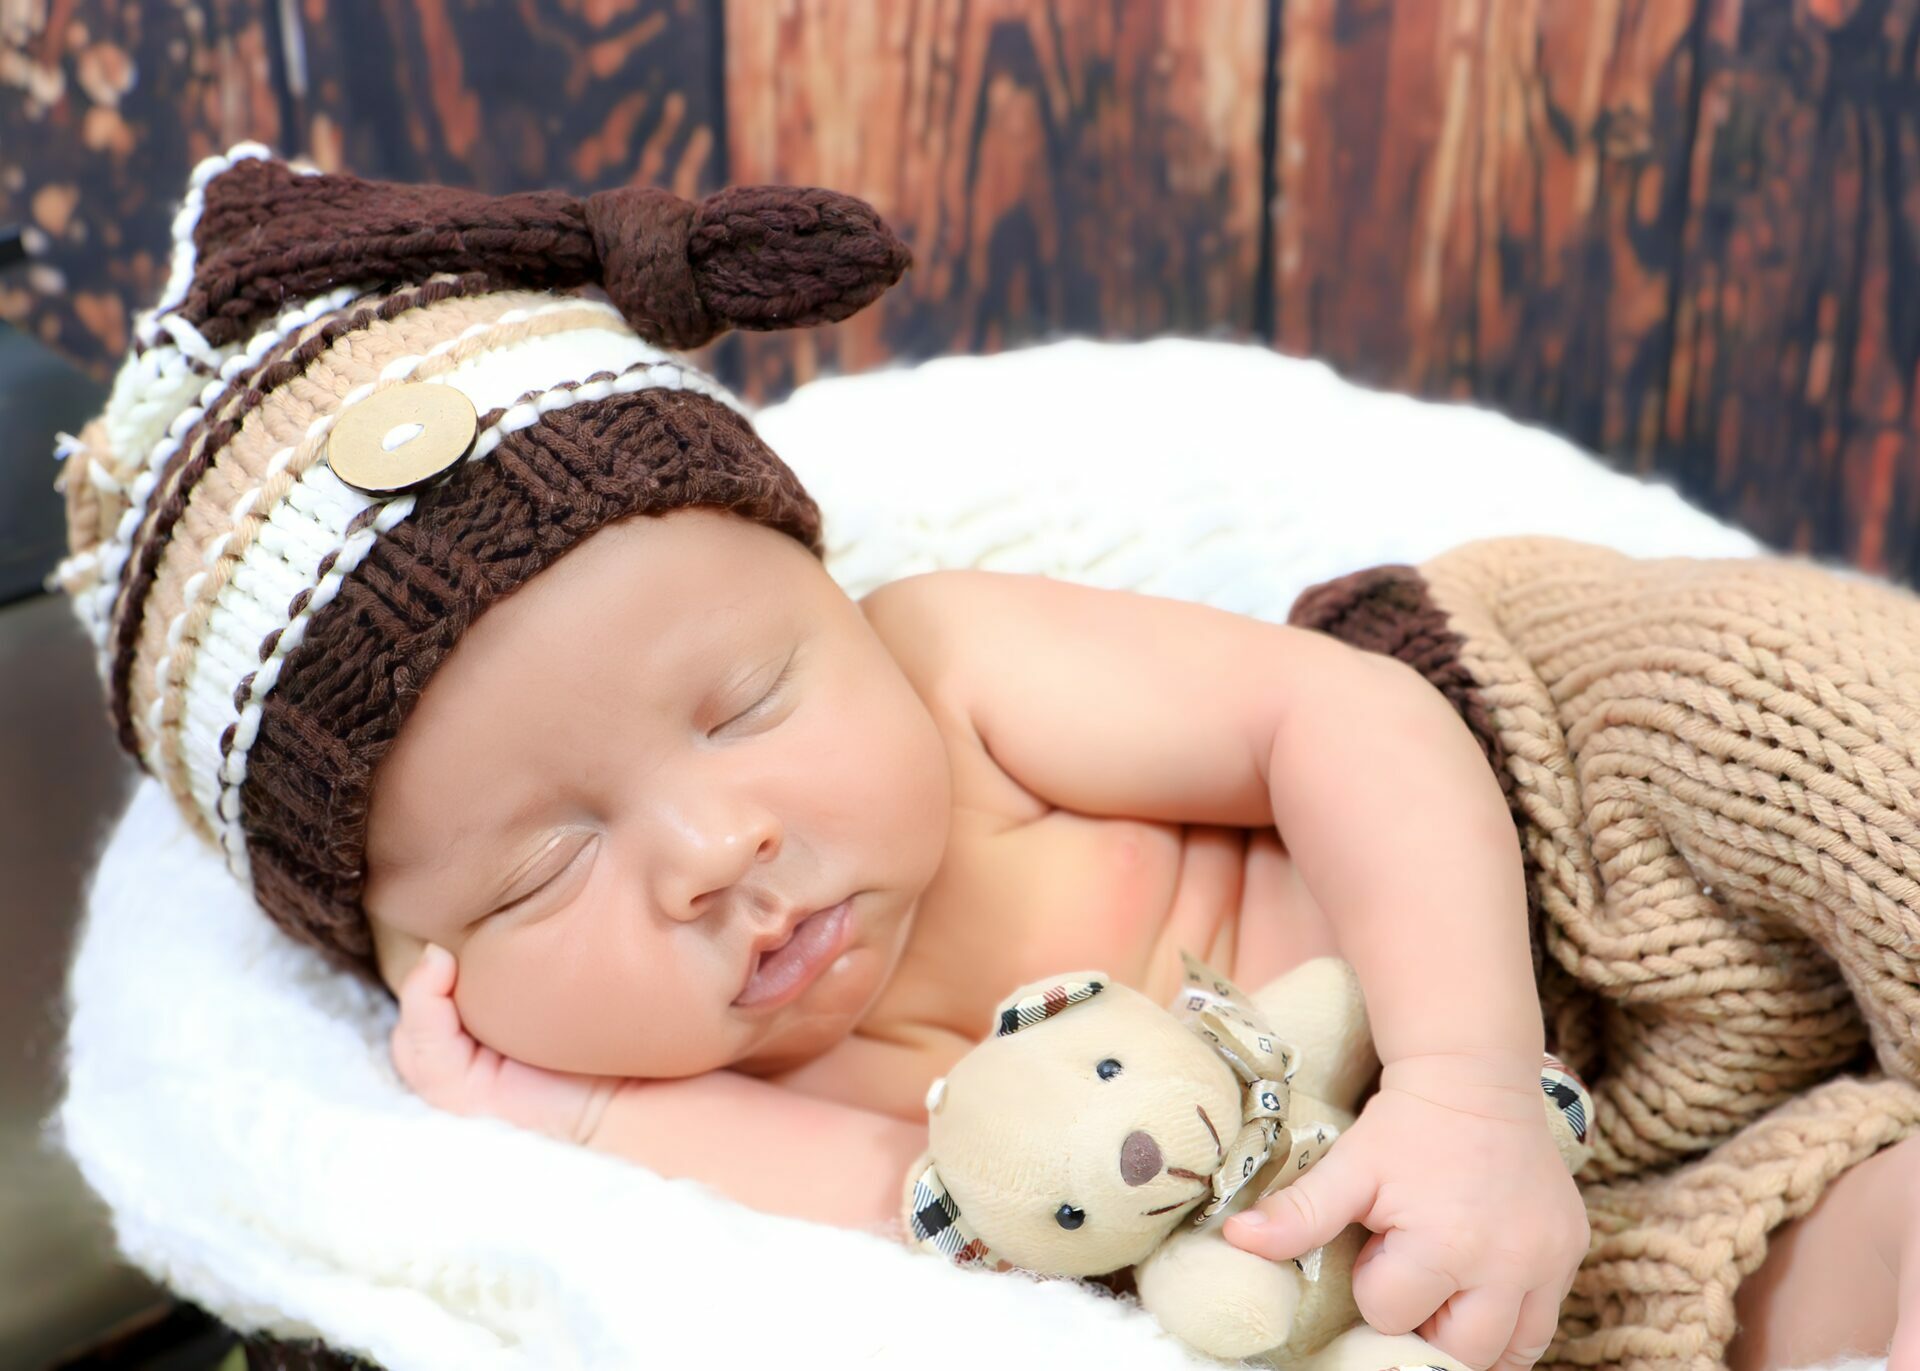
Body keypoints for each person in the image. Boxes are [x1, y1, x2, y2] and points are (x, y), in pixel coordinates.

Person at [56, 147, 1919, 1371]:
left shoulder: (948, 668)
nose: (714, 848)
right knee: (1753, 1289)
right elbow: (927, 1235)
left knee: (1806, 730)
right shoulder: (715, 1094)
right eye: (543, 869)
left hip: (1562, 833)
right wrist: (565, 1118)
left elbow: (1333, 720)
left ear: (828, 594)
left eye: (746, 701)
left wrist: (1468, 1085)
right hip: (1464, 1205)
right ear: (412, 963)